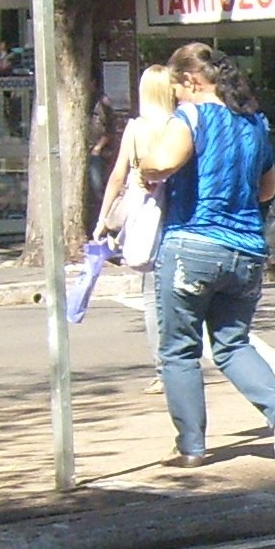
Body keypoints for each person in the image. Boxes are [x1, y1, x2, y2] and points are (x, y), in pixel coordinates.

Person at [136, 43, 275, 471]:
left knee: (178, 351)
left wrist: (144, 168)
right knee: (232, 344)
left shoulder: (191, 117)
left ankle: (191, 446)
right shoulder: (254, 123)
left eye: (177, 89)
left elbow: (162, 161)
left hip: (192, 245)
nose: (176, 97)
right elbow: (266, 190)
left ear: (192, 81)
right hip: (247, 251)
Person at [95, 65, 178, 392]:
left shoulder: (136, 128)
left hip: (147, 218)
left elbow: (118, 176)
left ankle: (163, 369)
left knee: (152, 296)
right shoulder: (179, 126)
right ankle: (181, 362)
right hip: (178, 215)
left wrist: (104, 218)